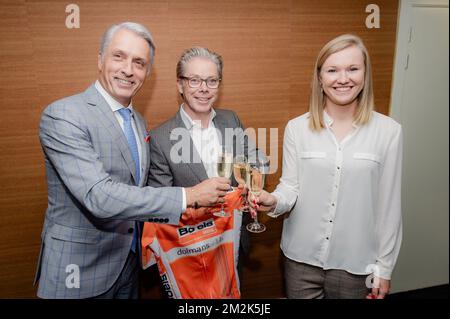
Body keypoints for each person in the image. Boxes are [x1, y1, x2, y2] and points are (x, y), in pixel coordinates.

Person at [34, 22, 230, 299]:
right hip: (78, 271)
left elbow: (138, 190)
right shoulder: (64, 115)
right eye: (119, 57)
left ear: (147, 72)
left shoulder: (137, 121)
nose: (129, 69)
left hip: (129, 266)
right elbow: (99, 196)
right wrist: (190, 196)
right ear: (100, 60)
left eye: (139, 62)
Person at [253, 34, 403, 299]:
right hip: (300, 261)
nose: (343, 78)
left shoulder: (389, 131)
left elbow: (389, 207)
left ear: (365, 74)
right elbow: (290, 187)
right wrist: (273, 200)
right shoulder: (297, 128)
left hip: (357, 266)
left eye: (353, 69)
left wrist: (385, 268)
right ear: (320, 78)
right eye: (332, 70)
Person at [146, 47, 265, 296]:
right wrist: (199, 201)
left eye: (212, 81)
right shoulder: (160, 138)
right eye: (195, 80)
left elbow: (256, 161)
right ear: (180, 84)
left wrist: (252, 184)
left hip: (231, 244)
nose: (204, 88)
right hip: (190, 254)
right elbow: (159, 203)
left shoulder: (231, 119)